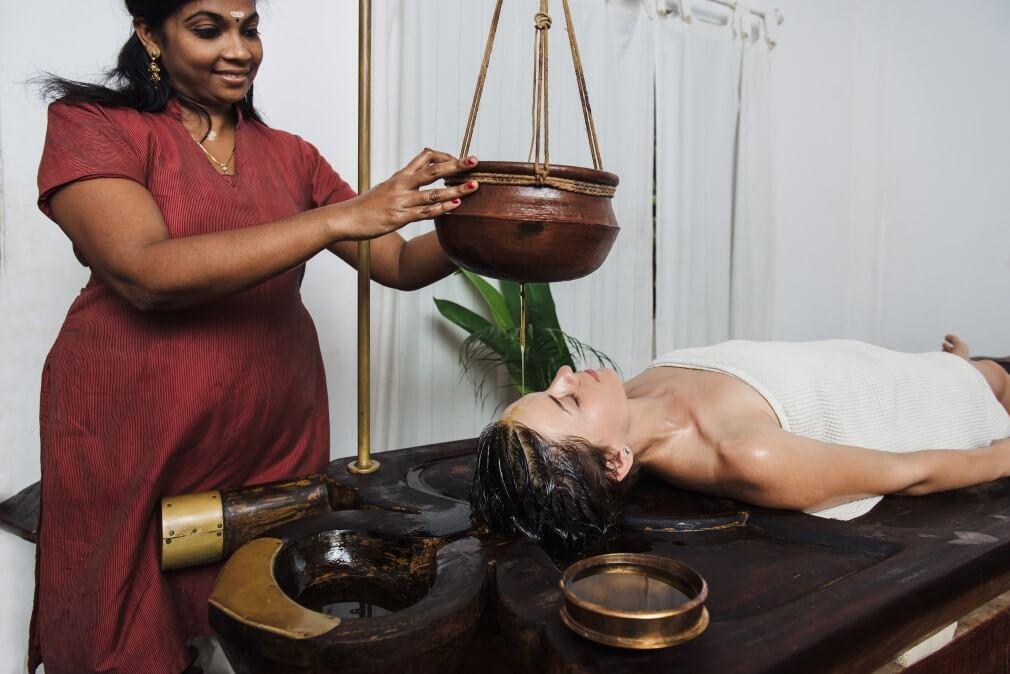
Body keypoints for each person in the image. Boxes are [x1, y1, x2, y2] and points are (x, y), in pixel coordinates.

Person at [29, 1, 479, 672]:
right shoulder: (94, 125)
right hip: (134, 434)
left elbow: (400, 263)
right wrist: (338, 219)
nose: (240, 49)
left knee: (255, 624)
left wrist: (482, 217)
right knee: (121, 630)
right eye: (209, 29)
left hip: (267, 439)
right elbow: (144, 271)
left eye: (250, 27)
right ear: (150, 33)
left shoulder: (291, 156)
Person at [471, 335, 1010, 552]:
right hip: (911, 402)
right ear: (616, 460)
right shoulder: (745, 455)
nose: (564, 373)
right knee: (995, 379)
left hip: (865, 361)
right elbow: (906, 472)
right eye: (567, 399)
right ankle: (963, 374)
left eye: (549, 387)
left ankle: (954, 365)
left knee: (968, 367)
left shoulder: (629, 394)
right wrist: (999, 457)